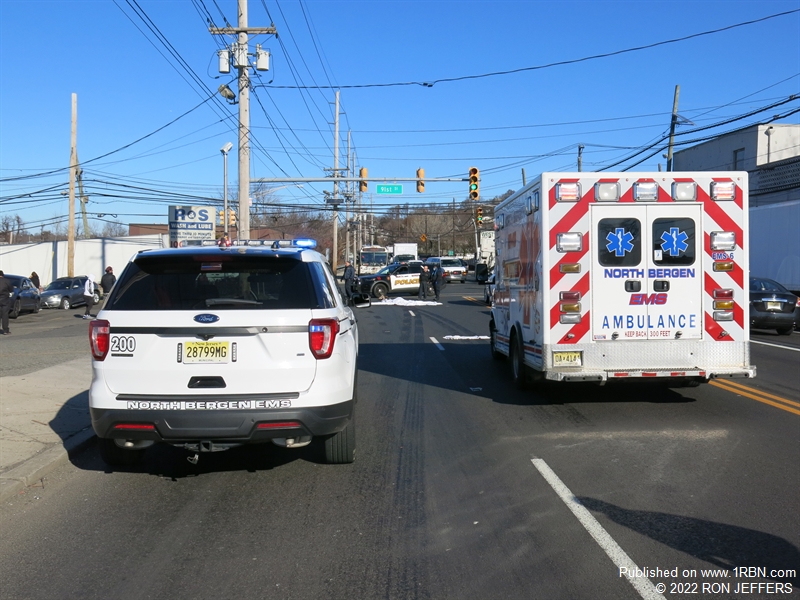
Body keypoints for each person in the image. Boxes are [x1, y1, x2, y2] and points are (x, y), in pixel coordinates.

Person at [0, 270, 14, 335]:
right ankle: (5, 330)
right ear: (2, 275)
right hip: (4, 299)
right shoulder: (6, 281)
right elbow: (11, 290)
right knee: (4, 315)